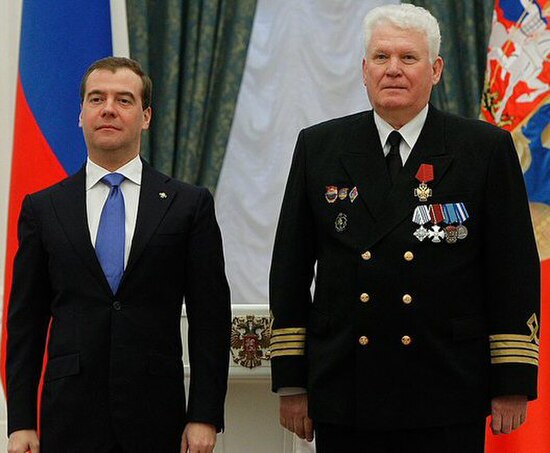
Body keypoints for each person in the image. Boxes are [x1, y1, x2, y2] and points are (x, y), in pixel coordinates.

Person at [269, 4, 540, 452]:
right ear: (363, 69)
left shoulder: (483, 149)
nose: (393, 69)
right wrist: (291, 382)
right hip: (346, 385)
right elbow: (290, 269)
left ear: (435, 70)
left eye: (408, 58)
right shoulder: (319, 146)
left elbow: (512, 269)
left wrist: (511, 380)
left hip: (447, 386)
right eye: (381, 57)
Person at [5, 57, 231, 453]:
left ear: (145, 116)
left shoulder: (187, 205)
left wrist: (204, 415)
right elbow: (25, 322)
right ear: (80, 116)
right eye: (96, 98)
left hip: (157, 416)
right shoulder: (44, 208)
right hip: (67, 417)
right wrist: (20, 421)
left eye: (123, 100)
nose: (108, 108)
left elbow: (209, 318)